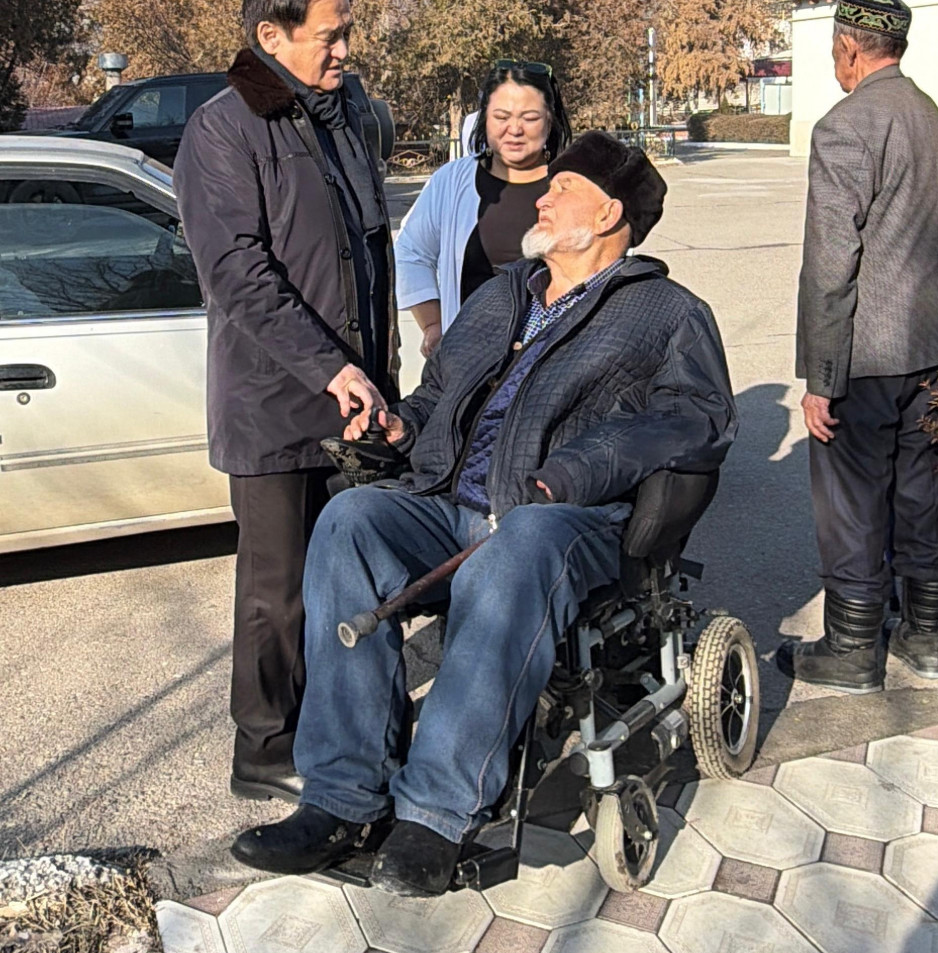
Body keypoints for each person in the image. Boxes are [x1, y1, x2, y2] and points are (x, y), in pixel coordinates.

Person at [231, 131, 736, 895]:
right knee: (352, 519)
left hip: (567, 521)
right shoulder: (502, 296)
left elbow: (697, 419)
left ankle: (437, 815)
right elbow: (439, 395)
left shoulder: (667, 312)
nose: (543, 197)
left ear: (608, 215)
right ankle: (340, 798)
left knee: (520, 541)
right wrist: (399, 428)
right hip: (452, 505)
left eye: (562, 188)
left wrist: (574, 469)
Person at [174, 0, 397, 803]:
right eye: (329, 35)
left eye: (347, 32)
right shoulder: (224, 130)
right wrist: (329, 365)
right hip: (274, 406)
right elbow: (237, 274)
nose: (344, 49)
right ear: (272, 35)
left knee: (355, 580)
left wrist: (379, 370)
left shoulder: (344, 116)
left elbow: (366, 255)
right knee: (278, 593)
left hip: (355, 400)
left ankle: (350, 729)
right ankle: (265, 748)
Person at [779, 0, 938, 694]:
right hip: (932, 340)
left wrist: (821, 378)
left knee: (853, 499)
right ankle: (927, 636)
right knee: (921, 490)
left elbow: (832, 263)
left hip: (867, 353)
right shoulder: (929, 115)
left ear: (848, 48)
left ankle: (854, 650)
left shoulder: (845, 125)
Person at [395, 59, 572, 357]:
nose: (514, 129)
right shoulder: (452, 182)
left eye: (529, 117)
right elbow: (411, 252)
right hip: (470, 362)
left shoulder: (576, 186)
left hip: (557, 364)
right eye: (501, 116)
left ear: (550, 120)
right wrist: (433, 325)